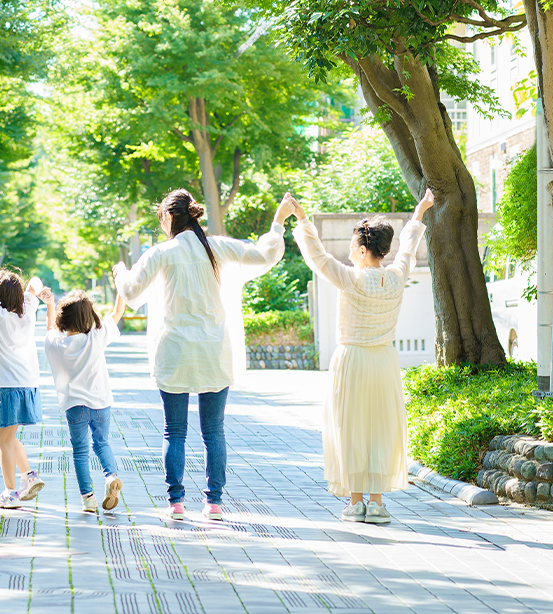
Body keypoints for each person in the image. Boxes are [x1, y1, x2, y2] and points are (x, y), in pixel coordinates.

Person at [113, 189, 296, 521]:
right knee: (214, 430)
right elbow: (264, 255)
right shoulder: (219, 247)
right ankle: (214, 503)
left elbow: (131, 292)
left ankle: (176, 503)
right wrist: (278, 222)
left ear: (169, 217)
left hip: (175, 352)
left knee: (174, 430)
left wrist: (119, 273)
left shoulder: (161, 253)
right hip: (213, 350)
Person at [289, 189, 434, 525]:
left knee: (351, 427)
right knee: (380, 428)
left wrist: (302, 220)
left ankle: (355, 502)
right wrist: (420, 211)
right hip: (384, 361)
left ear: (364, 249)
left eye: (354, 245)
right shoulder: (396, 278)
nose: (350, 251)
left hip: (352, 360)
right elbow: (409, 247)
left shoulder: (351, 279)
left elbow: (318, 258)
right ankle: (377, 502)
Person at [43, 288, 125, 514]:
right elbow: (118, 311)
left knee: (80, 452)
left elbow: (50, 329)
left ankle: (88, 499)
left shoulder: (55, 344)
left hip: (74, 406)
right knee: (102, 443)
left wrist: (51, 305)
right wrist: (121, 285)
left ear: (63, 319)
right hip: (100, 403)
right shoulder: (96, 337)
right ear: (90, 317)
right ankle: (110, 477)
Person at [0, 269, 48, 509]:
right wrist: (39, 290)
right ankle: (29, 477)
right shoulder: (27, 311)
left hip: (9, 387)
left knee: (4, 441)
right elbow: (34, 282)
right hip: (28, 385)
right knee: (10, 437)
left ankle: (10, 493)